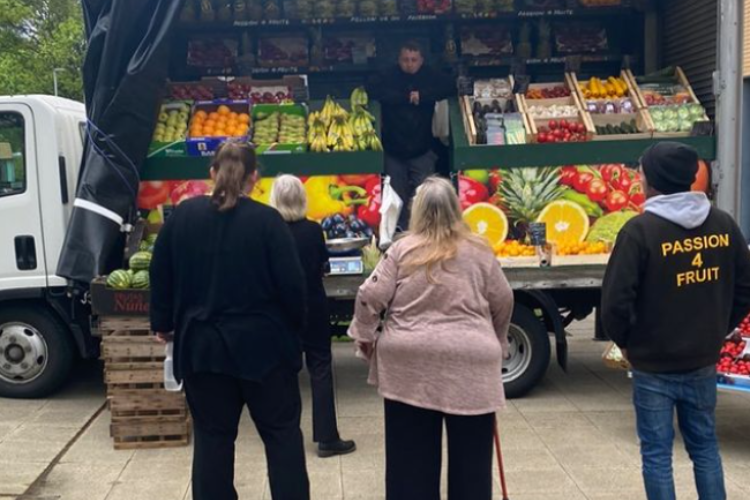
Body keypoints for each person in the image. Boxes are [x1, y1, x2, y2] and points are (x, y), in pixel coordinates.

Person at [149, 142, 310, 500]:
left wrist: (163, 324)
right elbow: (292, 287)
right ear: (255, 177)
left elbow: (160, 276)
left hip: (203, 350)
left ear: (212, 174)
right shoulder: (269, 222)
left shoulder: (182, 218)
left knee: (213, 440)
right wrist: (294, 332)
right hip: (265, 350)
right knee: (282, 437)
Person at [348, 177, 514, 500]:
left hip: (408, 366)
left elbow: (369, 296)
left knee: (410, 466)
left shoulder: (402, 249)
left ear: (417, 211)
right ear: (457, 209)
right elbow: (504, 299)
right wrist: (497, 339)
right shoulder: (480, 252)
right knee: (472, 465)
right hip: (471, 365)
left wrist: (365, 338)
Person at [601, 142, 750, 500]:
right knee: (705, 449)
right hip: (702, 358)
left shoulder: (639, 232)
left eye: (642, 173)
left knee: (656, 456)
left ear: (652, 181)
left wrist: (627, 344)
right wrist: (720, 328)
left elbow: (614, 304)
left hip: (652, 364)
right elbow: (745, 289)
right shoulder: (724, 225)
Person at [270, 174, 357, 458]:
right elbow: (324, 267)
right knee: (320, 369)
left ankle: (283, 436)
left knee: (283, 373)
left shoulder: (269, 230)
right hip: (313, 308)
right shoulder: (313, 230)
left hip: (281, 312)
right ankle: (327, 438)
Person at [367, 41, 456, 230]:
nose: (409, 64)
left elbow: (450, 87)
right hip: (393, 148)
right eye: (405, 60)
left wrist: (423, 95)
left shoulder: (430, 75)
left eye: (414, 60)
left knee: (425, 194)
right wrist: (406, 97)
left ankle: (426, 231)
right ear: (398, 60)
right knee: (395, 197)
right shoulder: (388, 76)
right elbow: (372, 89)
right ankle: (398, 234)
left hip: (422, 148)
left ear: (421, 60)